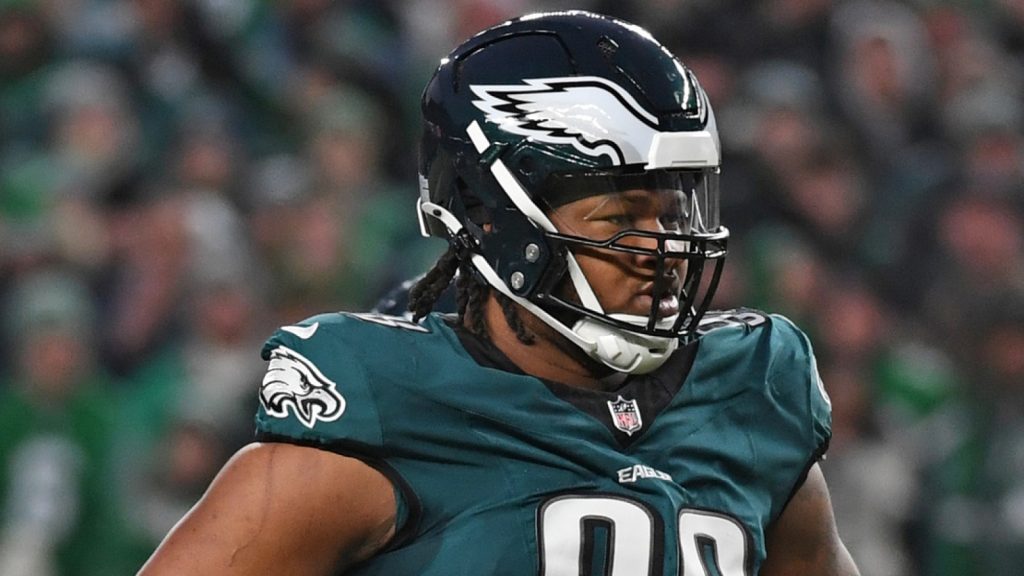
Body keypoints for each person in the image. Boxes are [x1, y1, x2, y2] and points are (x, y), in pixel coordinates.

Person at [139, 11, 860, 575]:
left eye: (673, 214)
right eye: (620, 217)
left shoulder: (750, 394)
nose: (661, 252)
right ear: (496, 223)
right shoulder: (391, 405)